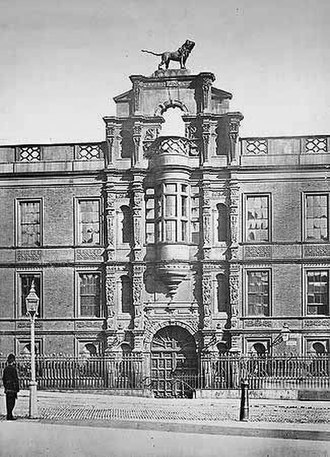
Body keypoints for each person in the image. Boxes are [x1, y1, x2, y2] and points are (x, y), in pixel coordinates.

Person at [2, 353, 20, 420]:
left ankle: (9, 415)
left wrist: (5, 386)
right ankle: (10, 415)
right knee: (12, 402)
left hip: (7, 388)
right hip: (12, 388)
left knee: (8, 402)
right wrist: (17, 388)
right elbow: (16, 379)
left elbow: (3, 378)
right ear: (13, 361)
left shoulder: (5, 369)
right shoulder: (13, 369)